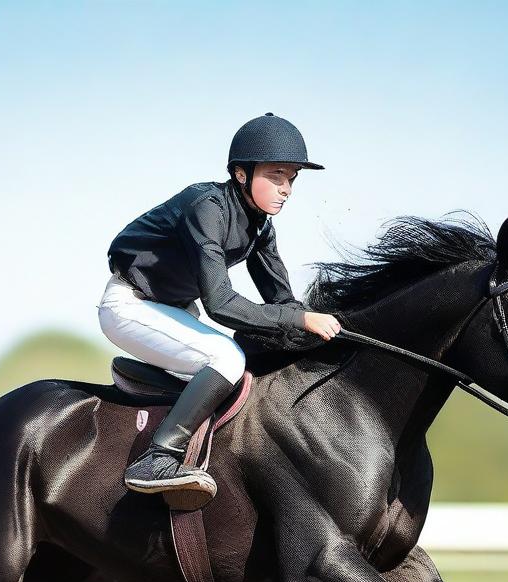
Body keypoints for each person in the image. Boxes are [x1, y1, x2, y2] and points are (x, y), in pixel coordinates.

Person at [99, 112, 342, 508]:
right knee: (226, 355)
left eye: (292, 179)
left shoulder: (261, 227)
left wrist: (325, 330)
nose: (287, 189)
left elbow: (282, 302)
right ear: (242, 174)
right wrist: (298, 319)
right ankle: (157, 458)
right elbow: (221, 304)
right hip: (130, 306)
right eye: (277, 176)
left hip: (173, 312)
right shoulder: (206, 206)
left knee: (242, 368)